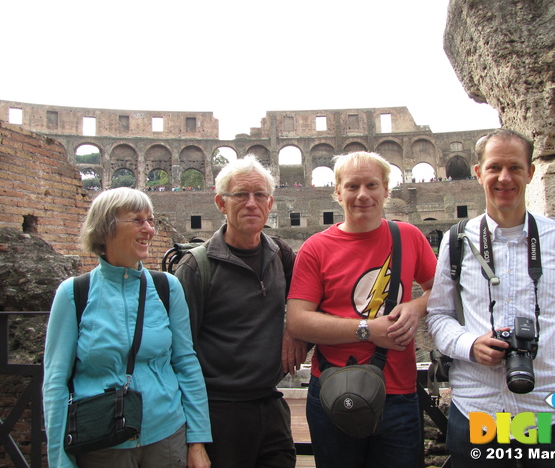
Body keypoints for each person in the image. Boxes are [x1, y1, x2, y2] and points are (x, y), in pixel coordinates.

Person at [426, 129, 555, 467]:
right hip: (478, 411)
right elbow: (438, 316)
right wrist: (470, 344)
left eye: (514, 167)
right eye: (494, 167)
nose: (504, 177)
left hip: (553, 410)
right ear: (478, 172)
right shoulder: (457, 240)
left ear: (530, 172)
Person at [286, 151, 437, 468]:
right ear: (338, 191)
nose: (363, 195)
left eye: (371, 185)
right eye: (352, 186)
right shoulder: (316, 248)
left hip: (399, 392)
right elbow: (298, 321)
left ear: (386, 189)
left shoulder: (409, 237)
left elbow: (443, 291)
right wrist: (367, 330)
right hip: (334, 388)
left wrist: (416, 306)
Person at [43, 187, 212, 468]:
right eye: (138, 220)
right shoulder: (74, 294)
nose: (149, 230)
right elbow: (55, 381)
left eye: (151, 220)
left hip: (166, 436)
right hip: (101, 441)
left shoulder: (167, 287)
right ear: (106, 228)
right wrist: (60, 459)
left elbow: (186, 363)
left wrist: (197, 442)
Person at [174, 156, 307, 468]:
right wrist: (195, 441)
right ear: (221, 203)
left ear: (271, 202)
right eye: (241, 195)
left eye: (259, 195)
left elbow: (312, 303)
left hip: (271, 407)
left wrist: (295, 331)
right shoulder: (195, 267)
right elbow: (179, 354)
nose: (251, 203)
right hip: (217, 413)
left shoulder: (281, 255)